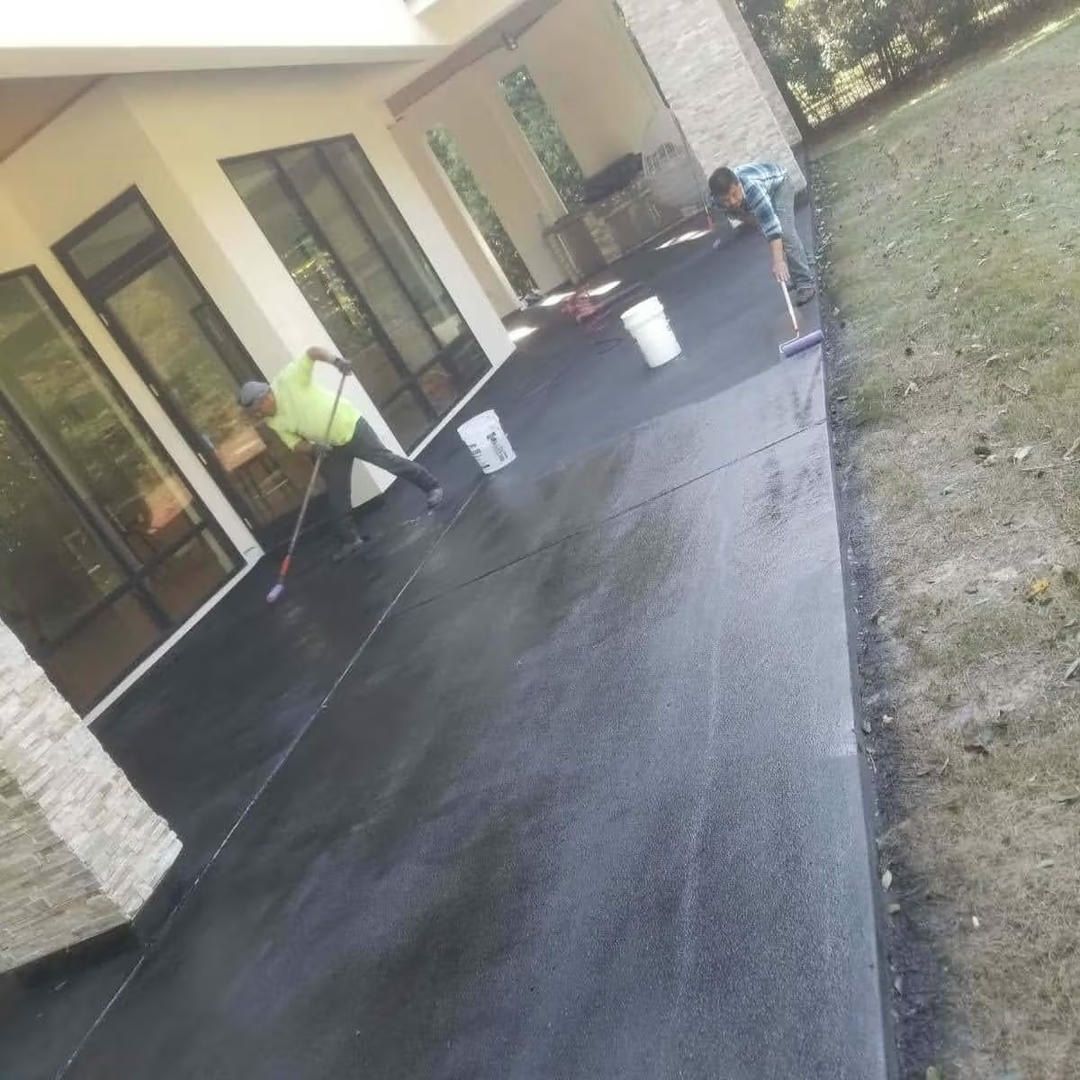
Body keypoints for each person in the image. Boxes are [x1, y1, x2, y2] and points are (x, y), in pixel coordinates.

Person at [238, 346, 443, 561]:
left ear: (266, 396)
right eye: (256, 413)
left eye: (259, 409)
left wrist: (336, 361)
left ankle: (432, 487)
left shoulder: (289, 380)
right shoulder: (273, 421)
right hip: (329, 447)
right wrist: (313, 448)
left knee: (387, 461)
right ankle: (351, 539)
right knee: (337, 494)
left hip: (352, 427)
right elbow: (295, 444)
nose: (261, 414)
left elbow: (312, 352)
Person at [708, 163, 816, 306]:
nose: (732, 201)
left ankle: (805, 283)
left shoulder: (752, 187)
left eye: (734, 194)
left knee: (784, 231)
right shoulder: (715, 201)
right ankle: (806, 264)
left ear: (739, 185)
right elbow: (740, 214)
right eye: (726, 200)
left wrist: (778, 261)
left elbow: (773, 229)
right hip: (753, 201)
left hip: (779, 185)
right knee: (775, 236)